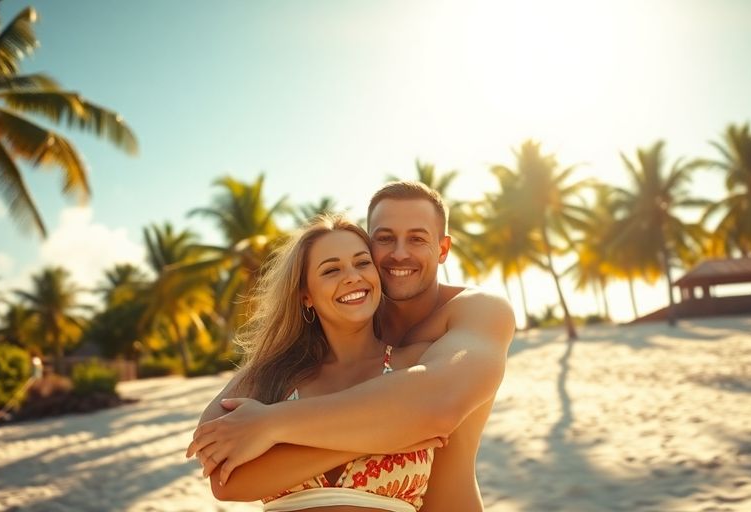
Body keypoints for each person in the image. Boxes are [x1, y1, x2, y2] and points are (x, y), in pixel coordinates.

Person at [188, 181, 516, 511]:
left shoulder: (476, 311)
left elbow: (437, 406)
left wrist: (269, 424)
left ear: (442, 249)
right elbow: (220, 462)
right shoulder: (307, 349)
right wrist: (392, 432)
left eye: (417, 238)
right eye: (385, 238)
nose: (399, 252)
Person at [194, 213, 443, 511]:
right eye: (331, 270)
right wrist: (385, 437)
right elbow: (224, 481)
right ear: (305, 296)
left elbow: (437, 421)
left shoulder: (417, 360)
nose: (352, 277)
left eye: (363, 263)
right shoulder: (274, 375)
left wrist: (272, 429)